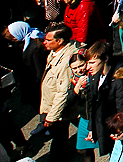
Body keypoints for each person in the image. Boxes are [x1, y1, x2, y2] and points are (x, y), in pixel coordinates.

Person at [37, 24, 79, 158]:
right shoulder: (56, 53)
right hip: (56, 107)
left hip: (59, 110)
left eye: (49, 40)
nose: (44, 42)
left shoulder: (65, 62)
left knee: (59, 139)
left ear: (60, 41)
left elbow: (63, 92)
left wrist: (51, 117)